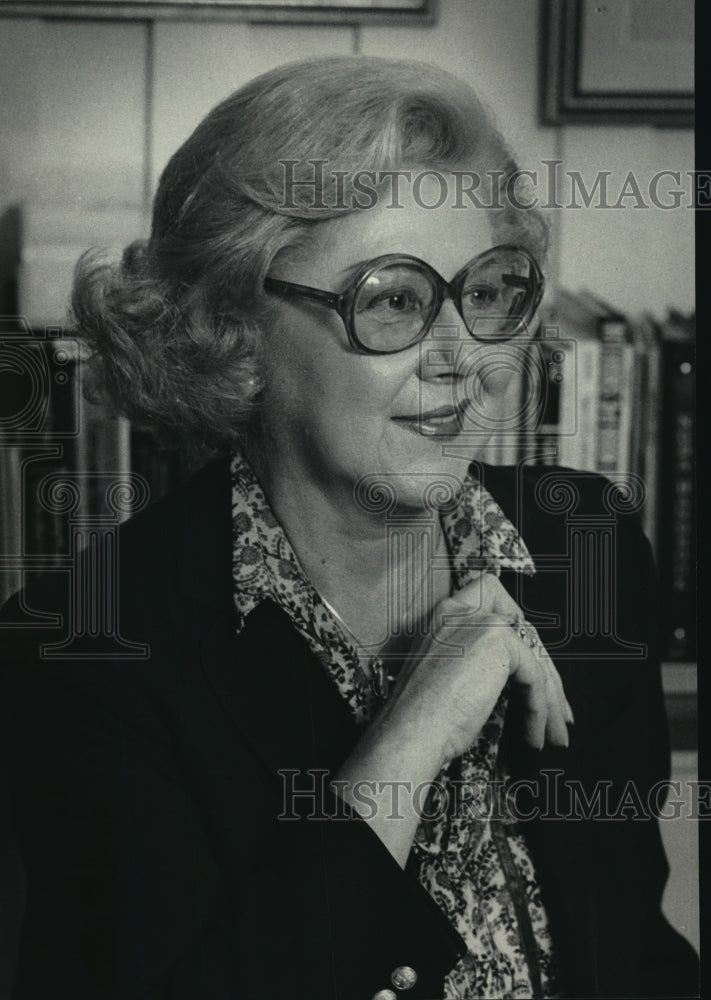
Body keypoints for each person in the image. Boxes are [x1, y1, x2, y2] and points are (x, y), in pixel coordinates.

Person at [0, 56, 698, 1000]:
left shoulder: (587, 548)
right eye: (394, 300)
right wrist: (405, 745)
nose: (466, 361)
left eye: (487, 291)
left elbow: (637, 954)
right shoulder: (80, 652)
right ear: (230, 327)